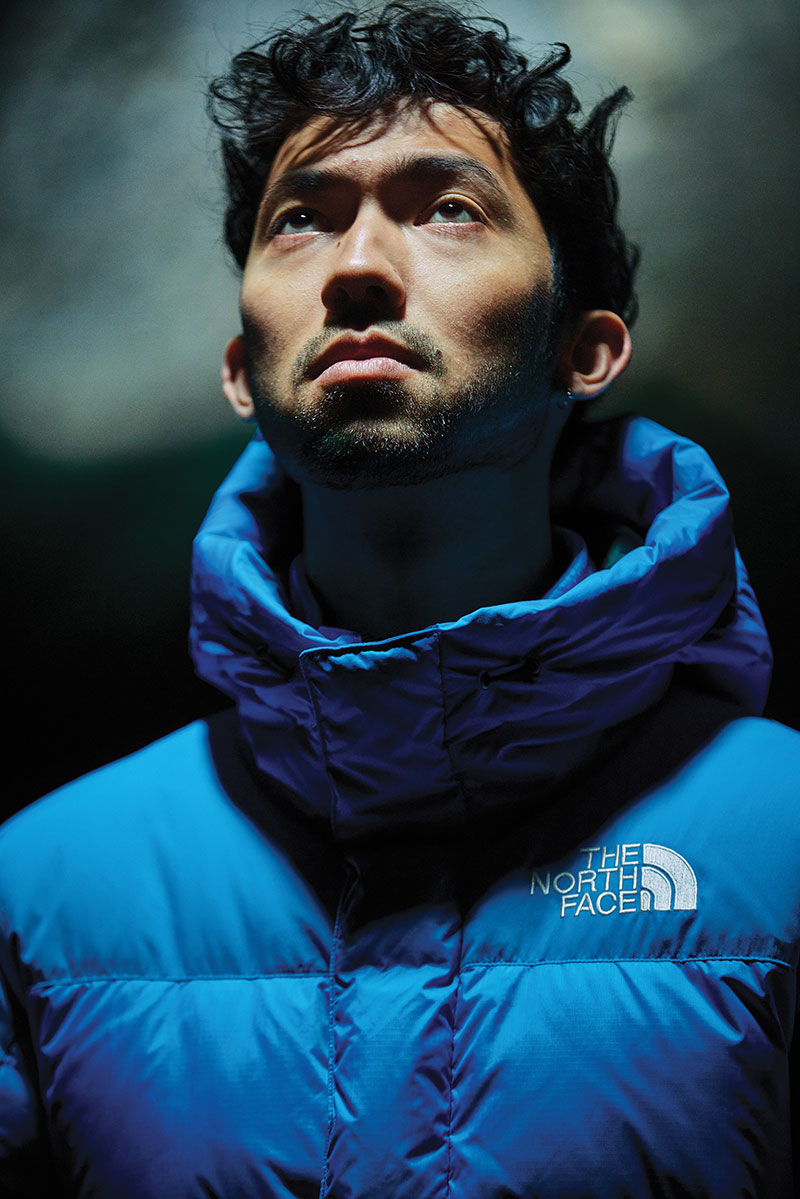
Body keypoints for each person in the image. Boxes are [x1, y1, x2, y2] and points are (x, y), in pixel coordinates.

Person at [1, 3, 798, 1194]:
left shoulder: (782, 840)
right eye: (300, 220)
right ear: (241, 370)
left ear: (583, 350)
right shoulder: (38, 889)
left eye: (448, 208)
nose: (357, 267)